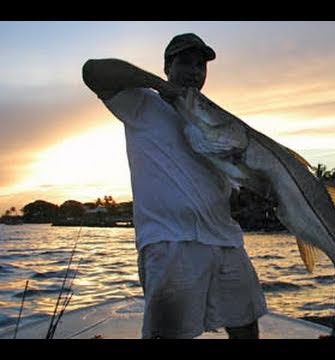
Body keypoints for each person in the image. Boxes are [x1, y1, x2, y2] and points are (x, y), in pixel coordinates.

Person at [82, 33, 268, 339]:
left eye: (201, 65)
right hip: (170, 242)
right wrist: (159, 85)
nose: (195, 71)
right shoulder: (141, 102)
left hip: (227, 241)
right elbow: (92, 71)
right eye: (185, 62)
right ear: (167, 65)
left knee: (246, 326)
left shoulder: (212, 117)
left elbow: (238, 178)